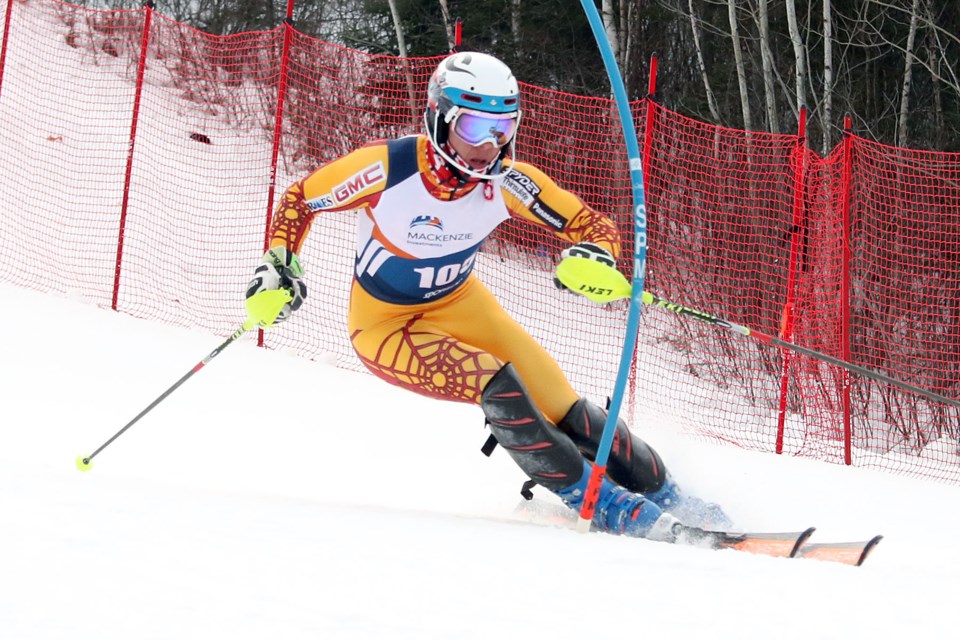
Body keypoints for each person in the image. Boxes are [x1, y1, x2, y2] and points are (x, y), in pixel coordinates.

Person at [246, 51, 728, 540]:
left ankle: (671, 498)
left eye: (503, 129)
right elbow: (299, 199)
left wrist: (595, 255)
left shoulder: (505, 180)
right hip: (386, 326)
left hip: (461, 306)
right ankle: (604, 505)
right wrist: (280, 263)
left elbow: (591, 224)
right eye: (475, 128)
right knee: (495, 382)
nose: (489, 146)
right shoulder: (387, 167)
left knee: (565, 407)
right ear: (439, 118)